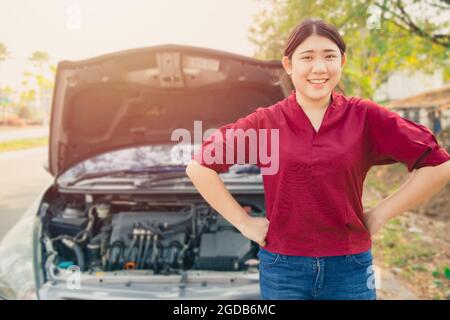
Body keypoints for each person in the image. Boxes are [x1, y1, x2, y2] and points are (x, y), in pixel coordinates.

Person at [185, 19, 450, 300]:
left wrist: (382, 213)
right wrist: (244, 222)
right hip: (283, 268)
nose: (319, 68)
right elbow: (199, 166)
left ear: (342, 61)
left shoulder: (364, 117)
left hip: (350, 267)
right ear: (288, 65)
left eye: (329, 56)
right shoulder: (266, 122)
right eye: (307, 57)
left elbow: (438, 163)